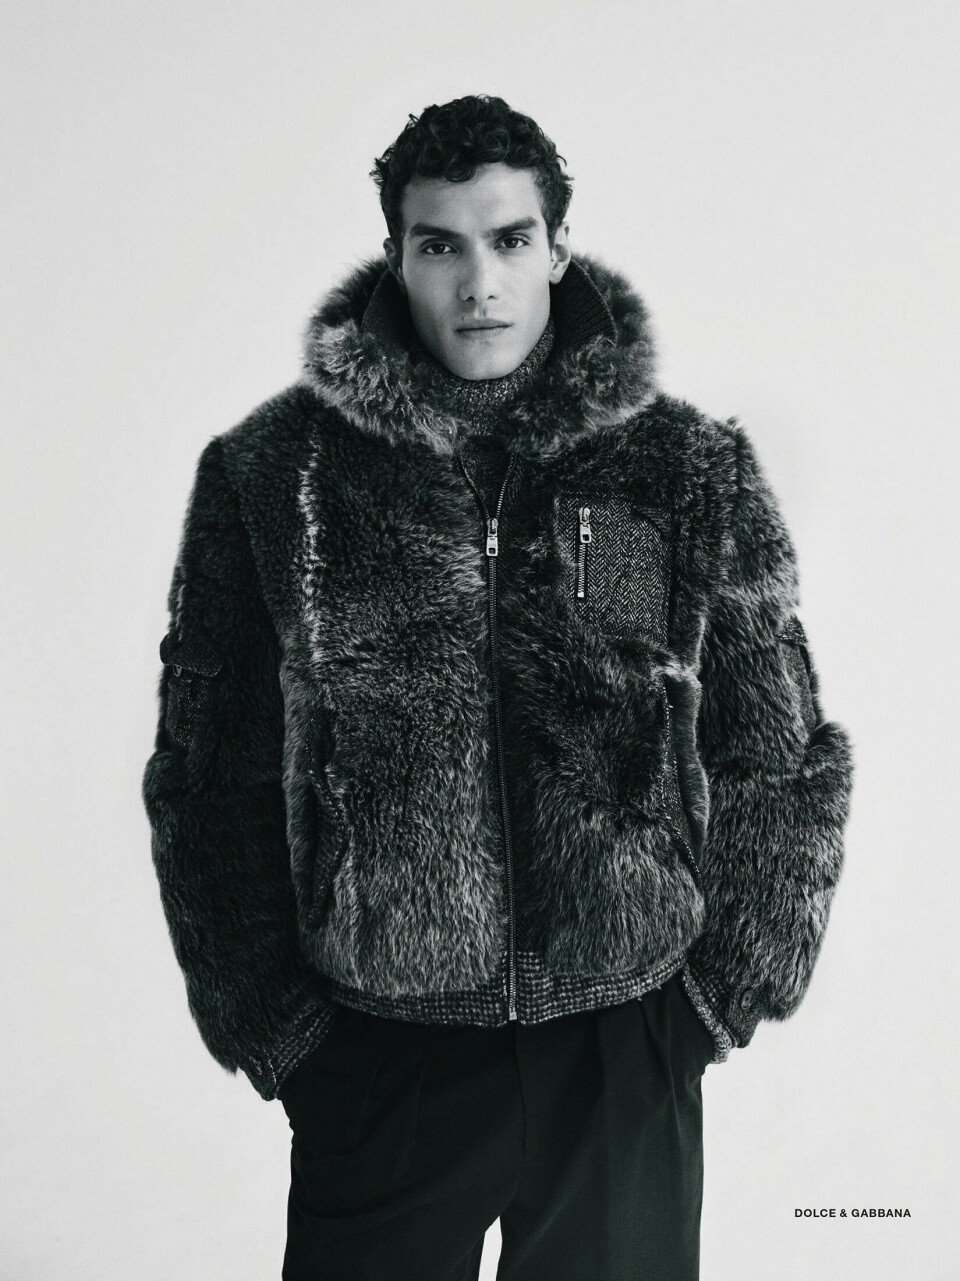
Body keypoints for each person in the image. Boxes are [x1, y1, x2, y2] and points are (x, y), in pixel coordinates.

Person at [142, 94, 854, 1281]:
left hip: (623, 1049)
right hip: (380, 1056)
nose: (480, 283)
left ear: (558, 249)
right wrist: (284, 1035)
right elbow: (210, 774)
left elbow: (770, 751)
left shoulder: (679, 466)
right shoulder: (274, 476)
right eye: (442, 245)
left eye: (510, 239)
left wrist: (719, 998)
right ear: (397, 256)